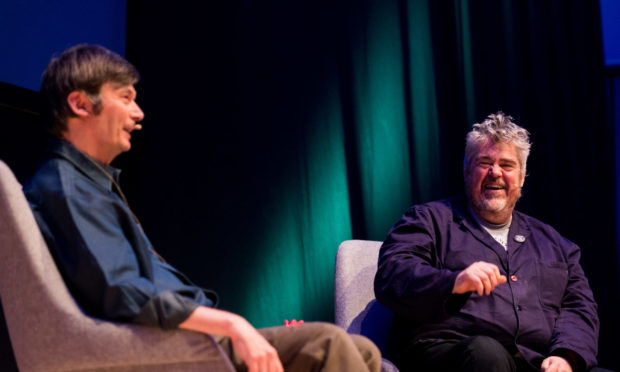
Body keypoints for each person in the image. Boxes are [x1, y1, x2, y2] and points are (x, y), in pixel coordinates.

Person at [24, 44, 381, 372]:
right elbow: (123, 291)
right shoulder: (66, 189)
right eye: (126, 98)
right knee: (326, 344)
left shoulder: (87, 186)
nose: (138, 113)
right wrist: (232, 324)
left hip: (174, 337)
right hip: (148, 346)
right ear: (81, 104)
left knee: (364, 351)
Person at [374, 112, 600, 372]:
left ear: (522, 176)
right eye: (484, 162)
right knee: (486, 353)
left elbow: (579, 307)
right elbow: (392, 275)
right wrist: (453, 282)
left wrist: (566, 355)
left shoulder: (556, 244)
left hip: (535, 363)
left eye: (506, 165)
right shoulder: (427, 221)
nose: (495, 172)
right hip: (450, 354)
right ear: (466, 170)